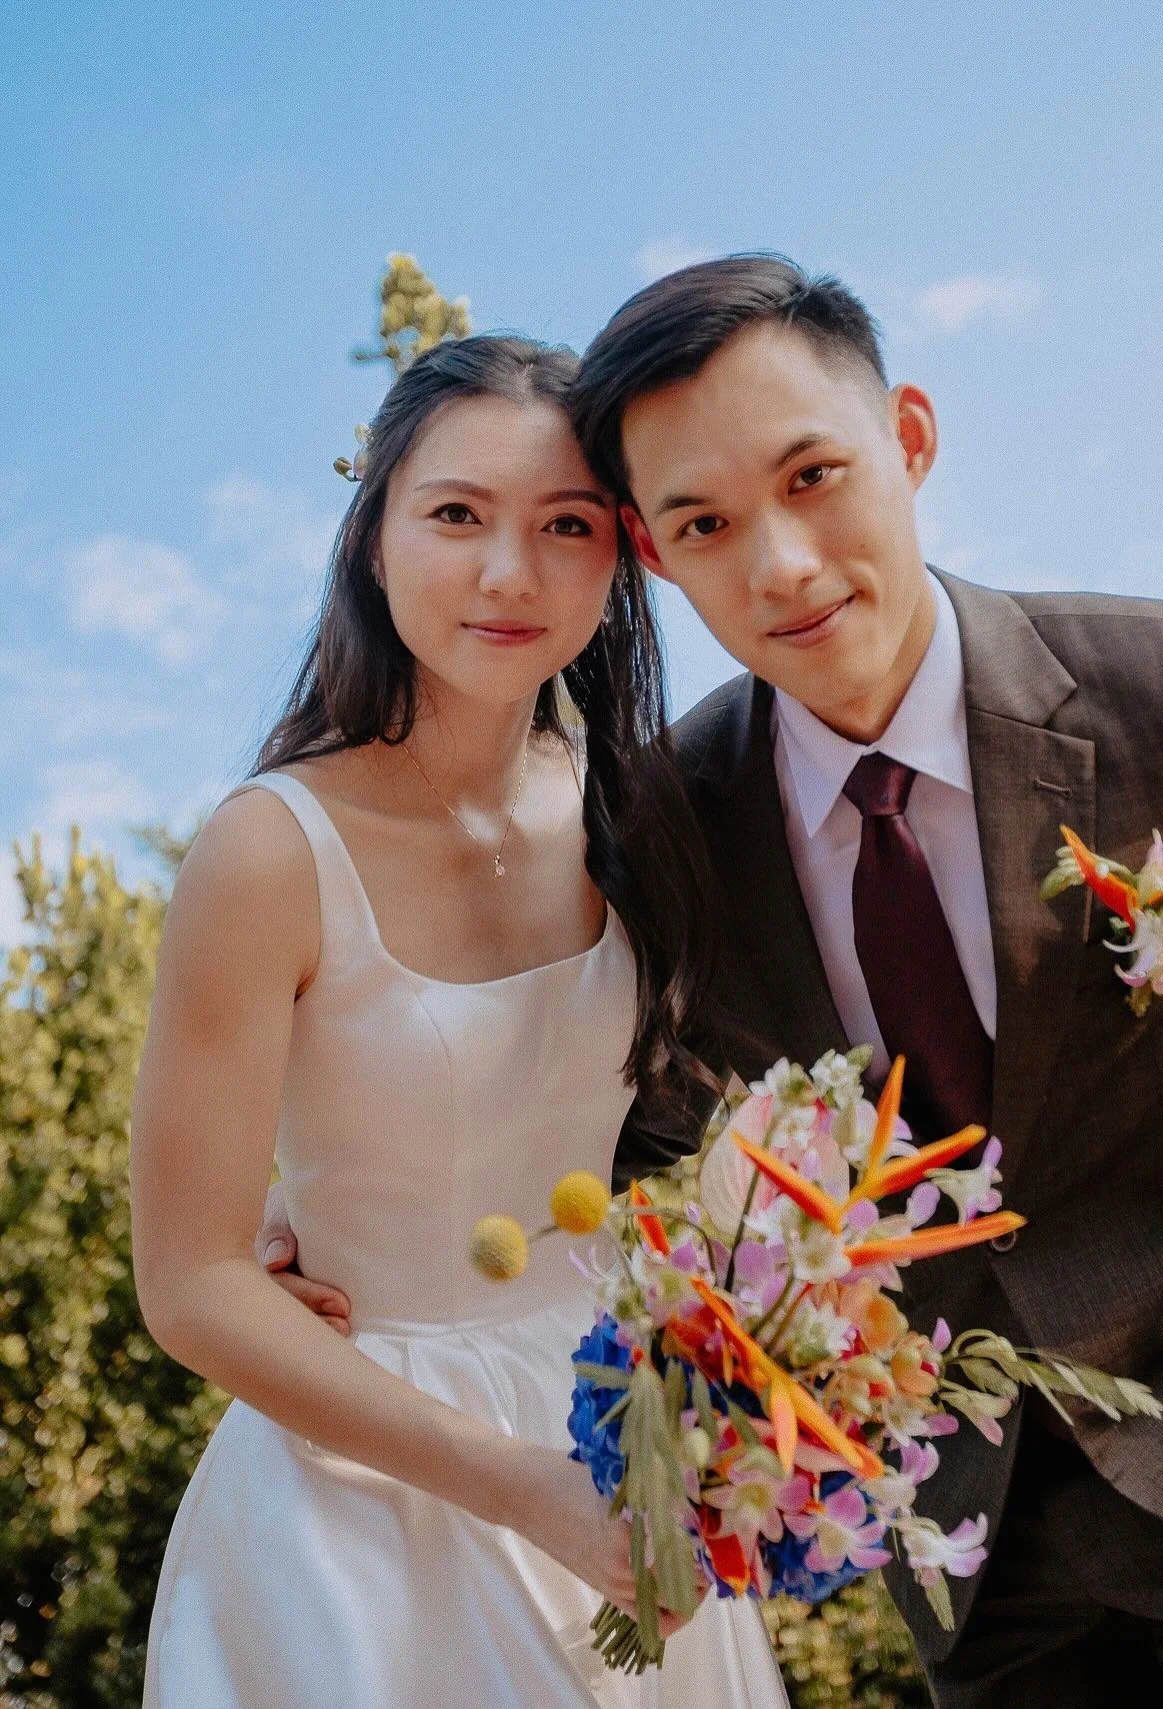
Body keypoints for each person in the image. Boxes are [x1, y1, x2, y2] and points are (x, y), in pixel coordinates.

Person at [567, 257, 1163, 1705]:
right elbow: (609, 1141)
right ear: (647, 551)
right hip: (967, 1571)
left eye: (814, 475)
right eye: (705, 524)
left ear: (911, 438)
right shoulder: (658, 832)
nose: (782, 565)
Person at [130, 334, 787, 1708]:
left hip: (622, 1432)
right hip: (367, 1489)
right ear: (371, 536)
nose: (509, 575)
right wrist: (524, 1490)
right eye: (455, 515)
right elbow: (189, 1284)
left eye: (565, 526)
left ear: (620, 560)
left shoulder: (638, 807)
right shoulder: (267, 851)